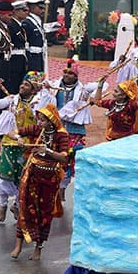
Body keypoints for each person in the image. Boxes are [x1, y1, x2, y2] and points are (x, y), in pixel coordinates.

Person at [12, 103, 70, 261]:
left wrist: (48, 151)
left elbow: (64, 157)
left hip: (50, 179)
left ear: (51, 121)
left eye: (43, 120)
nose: (40, 123)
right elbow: (13, 132)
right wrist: (18, 139)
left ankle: (38, 248)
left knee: (44, 212)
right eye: (39, 119)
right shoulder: (37, 130)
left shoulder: (61, 135)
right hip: (32, 174)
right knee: (24, 206)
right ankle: (18, 245)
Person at [40, 57, 98, 196]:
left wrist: (93, 93)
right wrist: (45, 87)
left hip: (73, 130)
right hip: (56, 128)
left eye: (71, 73)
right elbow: (42, 89)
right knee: (52, 157)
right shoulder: (54, 86)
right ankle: (53, 187)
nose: (67, 75)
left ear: (76, 76)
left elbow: (101, 85)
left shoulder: (82, 90)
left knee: (69, 159)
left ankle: (63, 186)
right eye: (65, 72)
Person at [0, 74, 42, 223]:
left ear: (33, 90)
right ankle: (3, 204)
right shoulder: (12, 99)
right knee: (4, 176)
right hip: (9, 142)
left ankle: (17, 205)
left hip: (27, 145)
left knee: (23, 179)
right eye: (22, 84)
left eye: (26, 85)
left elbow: (41, 123)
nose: (22, 87)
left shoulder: (38, 103)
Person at [93, 77, 138, 141]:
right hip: (113, 138)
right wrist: (100, 85)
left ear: (124, 95)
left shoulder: (130, 106)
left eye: (116, 91)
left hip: (127, 139)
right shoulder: (111, 103)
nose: (113, 93)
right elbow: (97, 101)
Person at [23, 0, 48, 74]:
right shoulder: (27, 22)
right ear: (33, 8)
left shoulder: (37, 20)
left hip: (40, 54)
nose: (43, 10)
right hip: (33, 55)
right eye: (40, 8)